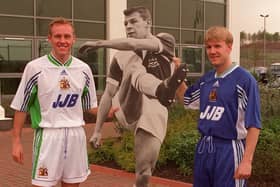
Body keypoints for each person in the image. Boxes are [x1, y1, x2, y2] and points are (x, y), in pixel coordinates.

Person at [79, 6, 187, 187]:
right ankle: (161, 89)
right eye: (126, 23)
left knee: (144, 171)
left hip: (155, 110)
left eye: (134, 21)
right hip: (127, 108)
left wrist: (99, 44)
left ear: (148, 23)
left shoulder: (165, 41)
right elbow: (108, 95)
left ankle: (162, 90)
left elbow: (135, 44)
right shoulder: (120, 57)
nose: (128, 26)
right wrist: (97, 130)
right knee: (134, 66)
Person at [11, 17, 99, 187]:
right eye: (58, 36)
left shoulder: (84, 69)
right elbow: (21, 106)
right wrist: (16, 141)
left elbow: (90, 106)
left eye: (67, 37)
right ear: (49, 38)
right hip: (48, 136)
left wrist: (112, 111)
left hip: (76, 135)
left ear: (73, 39)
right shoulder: (35, 68)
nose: (63, 41)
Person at [176, 26, 261, 187]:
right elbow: (186, 100)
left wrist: (246, 161)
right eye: (208, 47)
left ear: (229, 47)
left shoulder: (244, 80)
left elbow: (254, 124)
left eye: (217, 46)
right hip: (204, 148)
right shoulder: (206, 79)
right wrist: (177, 76)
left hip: (229, 149)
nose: (212, 51)